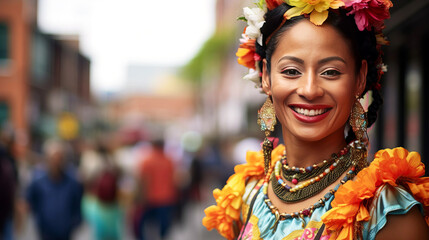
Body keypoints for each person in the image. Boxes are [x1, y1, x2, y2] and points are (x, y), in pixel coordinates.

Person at [202, 1, 429, 239]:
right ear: (266, 76)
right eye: (291, 71)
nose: (310, 90)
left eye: (330, 72)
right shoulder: (247, 194)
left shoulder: (386, 211)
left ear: (360, 78)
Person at [26, 139, 83, 240]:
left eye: (60, 159)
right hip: (45, 233)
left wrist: (73, 224)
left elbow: (77, 206)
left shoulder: (72, 183)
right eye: (53, 159)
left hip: (66, 234)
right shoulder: (38, 182)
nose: (56, 163)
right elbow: (31, 202)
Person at [136, 139, 177, 240]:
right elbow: (174, 179)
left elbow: (143, 181)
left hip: (150, 198)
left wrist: (141, 197)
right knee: (164, 224)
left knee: (143, 224)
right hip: (166, 198)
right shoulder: (169, 161)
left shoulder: (147, 161)